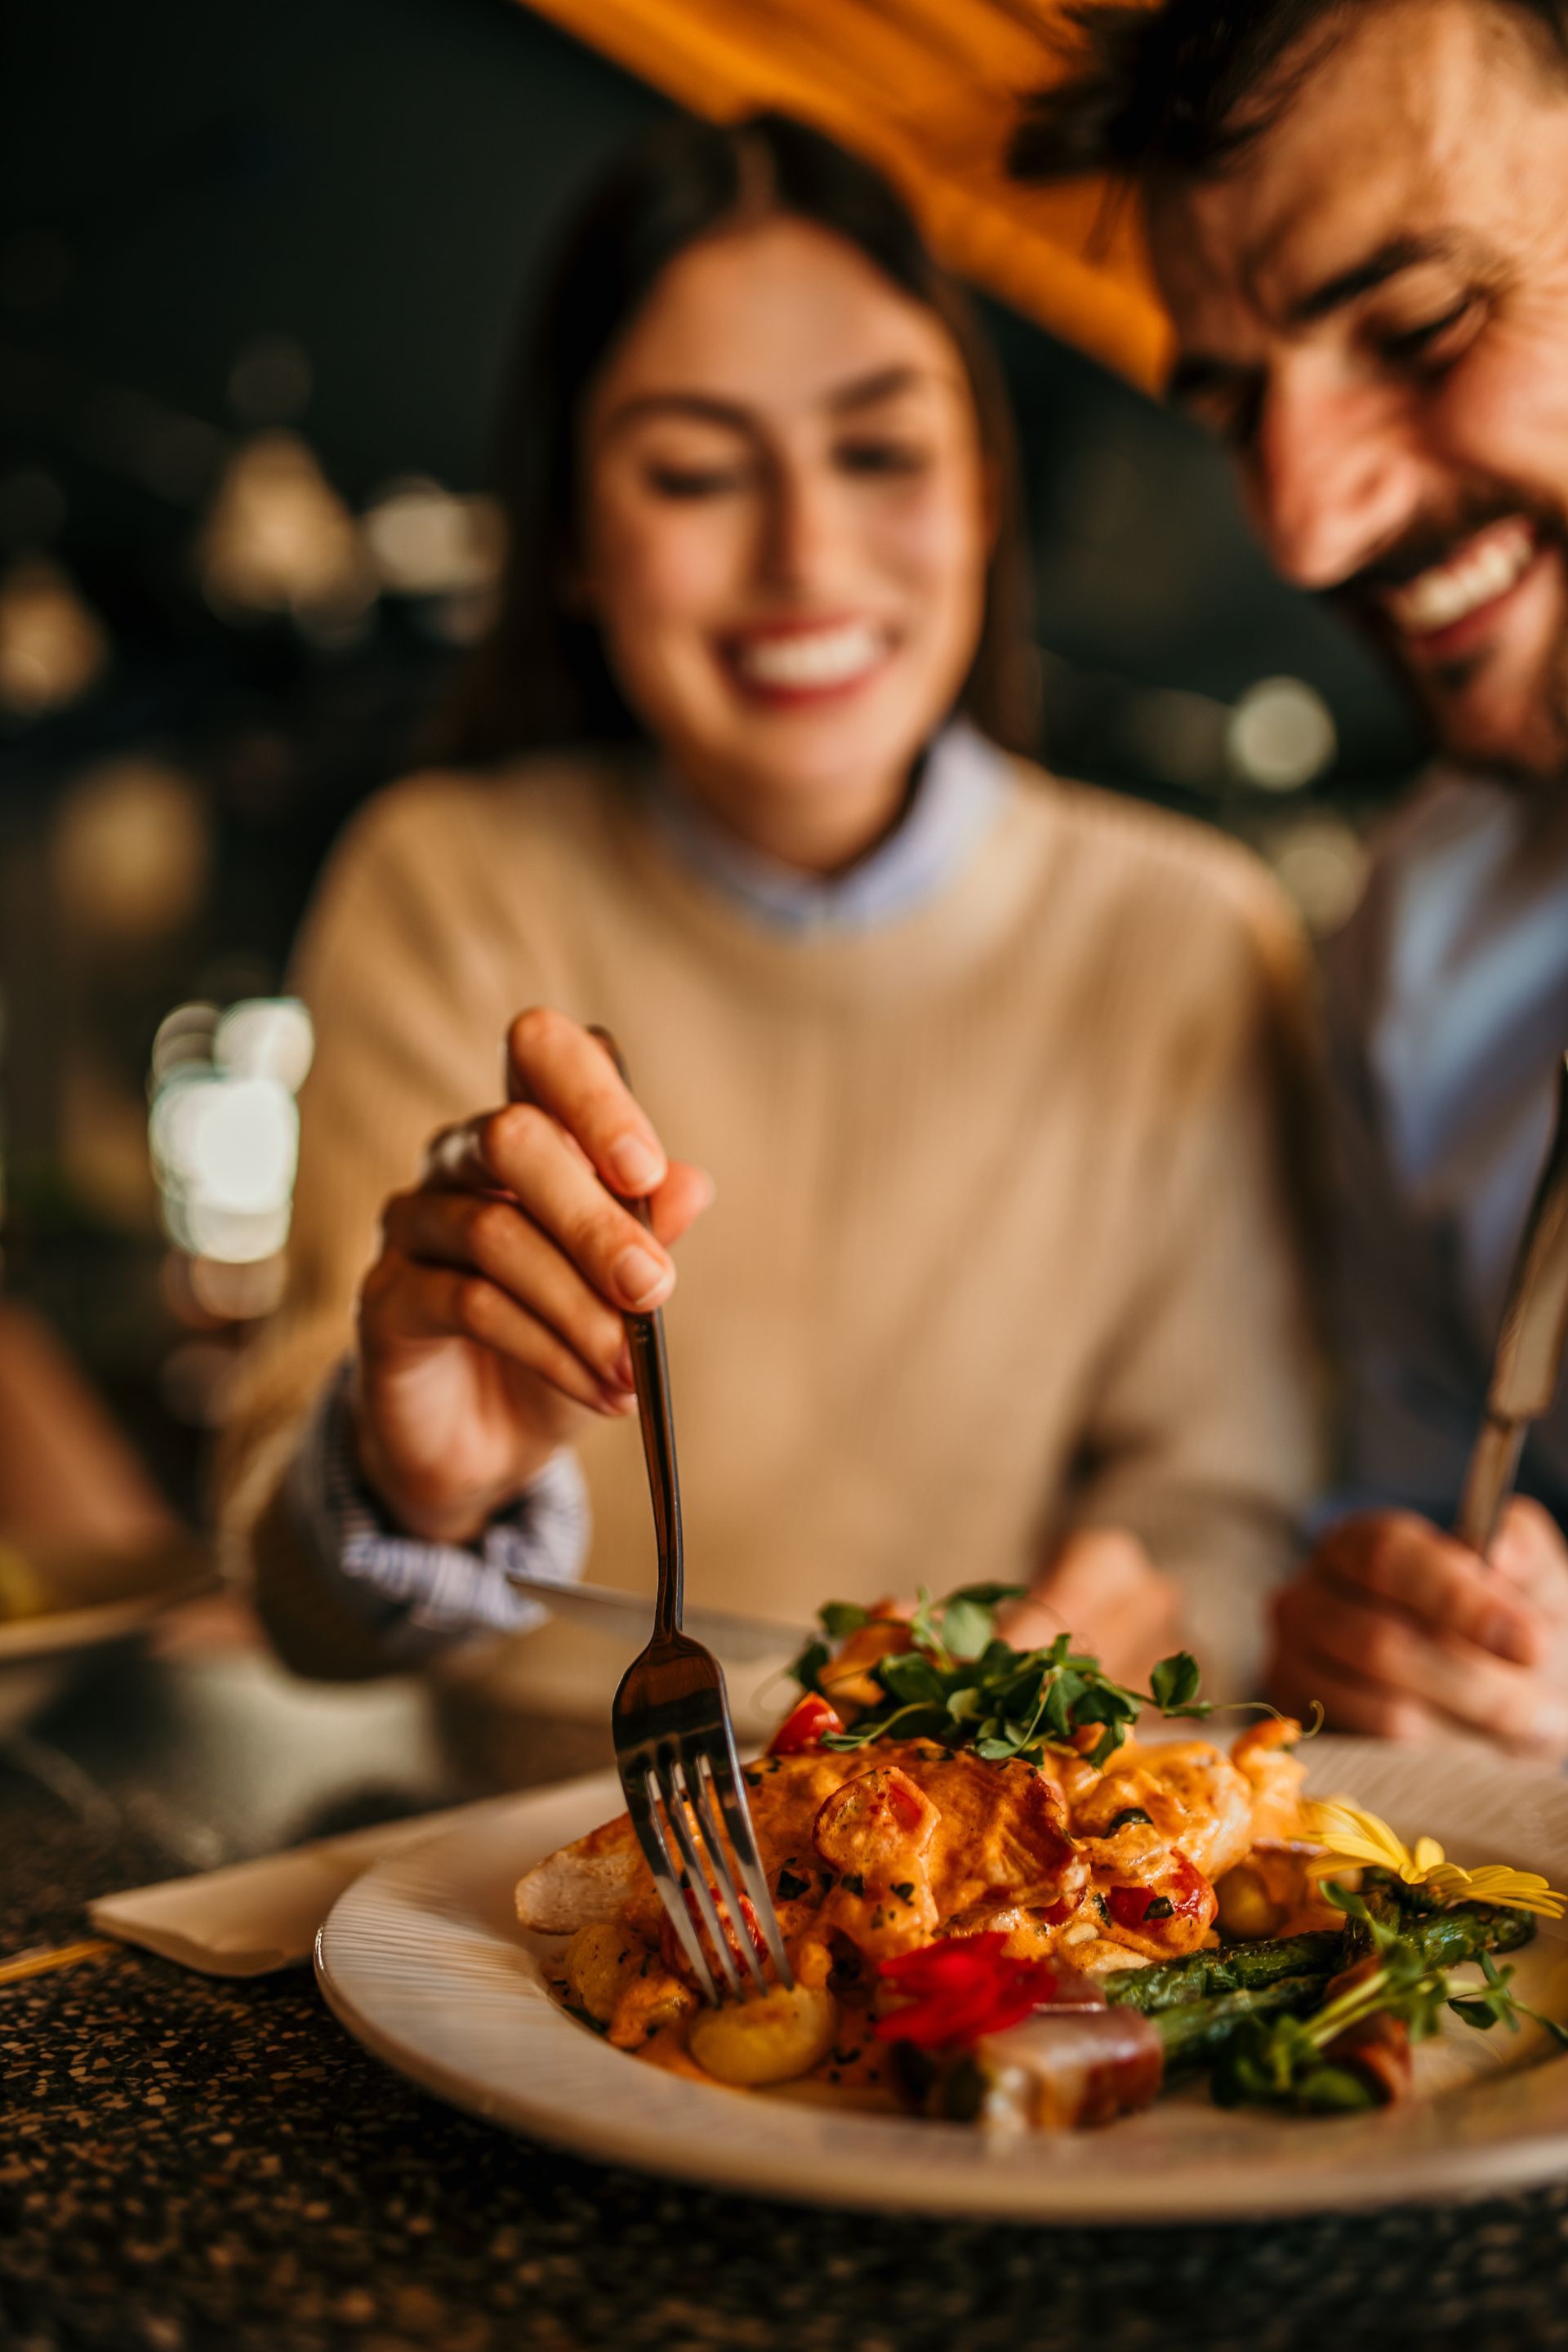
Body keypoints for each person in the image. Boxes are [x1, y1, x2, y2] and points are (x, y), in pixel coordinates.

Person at [219, 112, 1319, 1757]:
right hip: (503, 1876)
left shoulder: (1193, 934)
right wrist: (408, 1485)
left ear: (984, 496)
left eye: (879, 453)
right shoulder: (444, 882)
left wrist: (1139, 1607)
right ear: (578, 542)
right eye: (695, 471)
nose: (805, 554)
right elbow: (307, 1623)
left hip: (1000, 1859)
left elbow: (1229, 1507)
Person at [1011, 0, 1568, 1757]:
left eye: (1418, 326)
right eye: (1239, 404)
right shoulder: (1418, 945)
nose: (1305, 526)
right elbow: (1390, 1565)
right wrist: (1392, 1658)